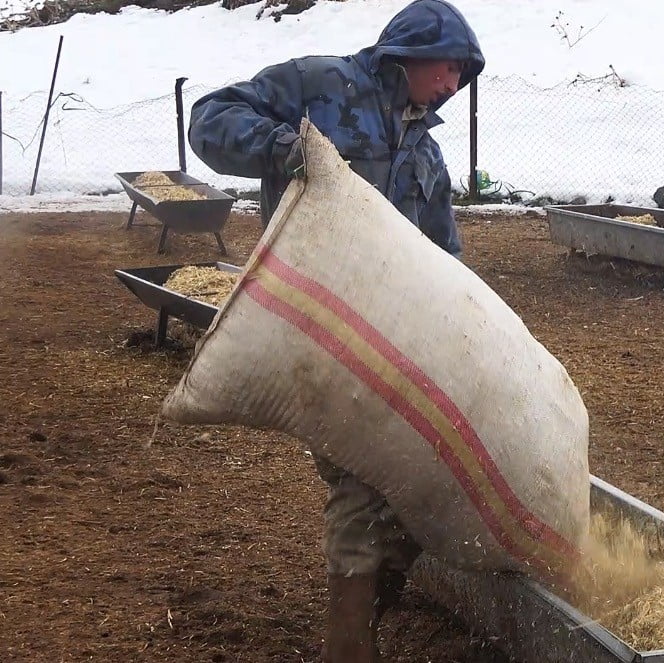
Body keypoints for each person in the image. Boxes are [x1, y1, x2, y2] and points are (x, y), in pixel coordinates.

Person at [186, 1, 485, 661]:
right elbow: (207, 119)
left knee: (422, 480)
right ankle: (349, 647)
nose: (455, 83)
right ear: (411, 49)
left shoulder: (427, 155)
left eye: (466, 74)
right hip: (314, 329)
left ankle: (376, 598)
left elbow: (445, 262)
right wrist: (286, 149)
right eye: (450, 66)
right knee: (361, 481)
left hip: (391, 347)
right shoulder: (319, 87)